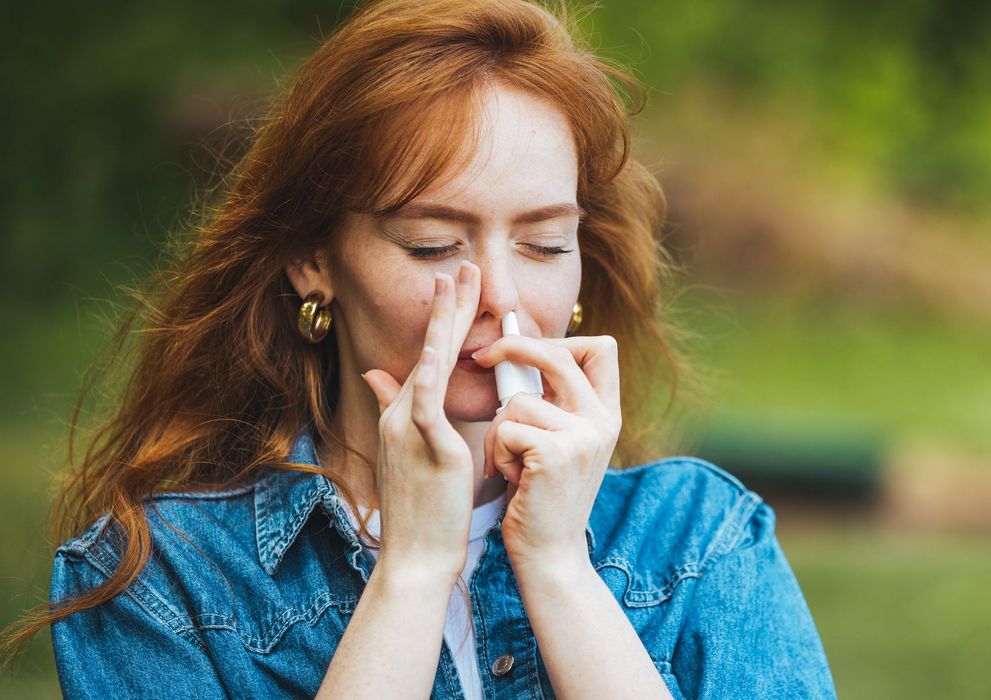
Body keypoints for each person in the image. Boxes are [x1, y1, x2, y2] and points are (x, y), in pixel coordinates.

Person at [7, 0, 838, 697]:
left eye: (544, 244)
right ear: (313, 260)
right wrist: (411, 567)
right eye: (435, 246)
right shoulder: (165, 582)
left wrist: (556, 566)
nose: (502, 297)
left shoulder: (700, 540)